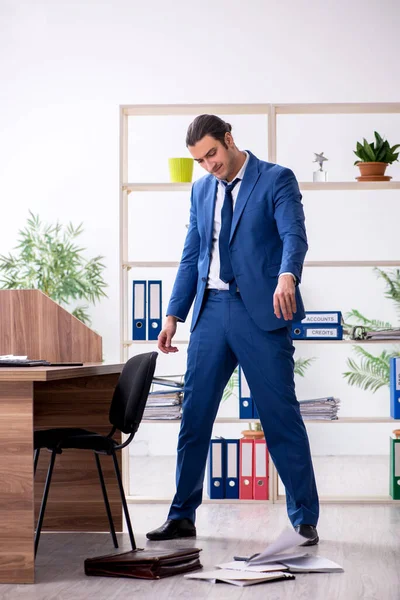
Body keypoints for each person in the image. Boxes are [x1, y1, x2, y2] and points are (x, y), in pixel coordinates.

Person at [146, 114, 319, 545]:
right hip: (210, 312)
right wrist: (173, 314)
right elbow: (192, 253)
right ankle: (182, 514)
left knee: (280, 417)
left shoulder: (276, 179)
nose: (208, 165)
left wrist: (288, 276)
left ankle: (303, 519)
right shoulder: (201, 188)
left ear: (228, 139)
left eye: (212, 154)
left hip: (260, 312)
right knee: (195, 416)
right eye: (199, 160)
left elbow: (293, 235)